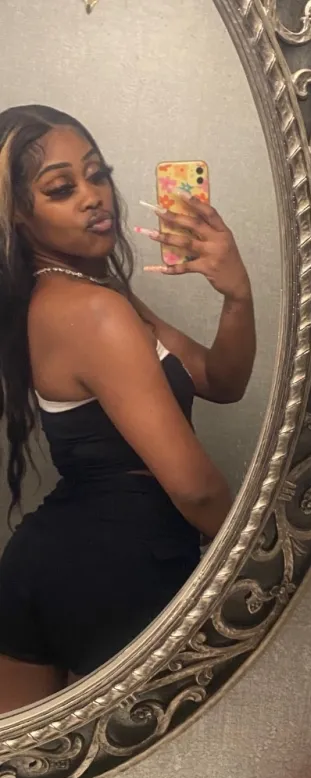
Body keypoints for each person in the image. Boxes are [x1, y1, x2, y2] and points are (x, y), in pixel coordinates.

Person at [0, 105, 256, 713]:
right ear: (19, 215)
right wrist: (259, 572)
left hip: (52, 563)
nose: (93, 196)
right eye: (61, 188)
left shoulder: (95, 296)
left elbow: (220, 380)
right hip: (120, 566)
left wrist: (236, 294)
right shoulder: (93, 311)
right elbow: (196, 490)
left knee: (30, 761)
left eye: (97, 174)